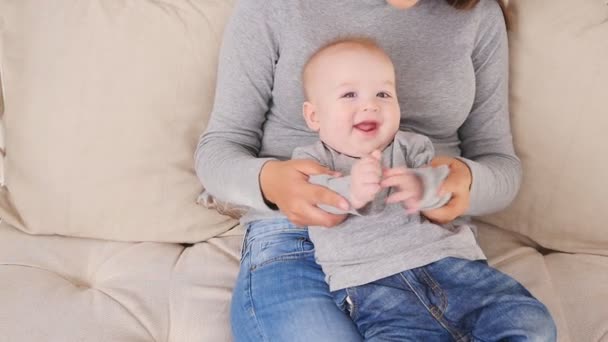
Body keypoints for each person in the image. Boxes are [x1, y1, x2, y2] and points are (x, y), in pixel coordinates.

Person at [195, 0, 555, 340]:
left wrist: (466, 183)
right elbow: (218, 149)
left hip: (426, 237)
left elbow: (501, 165)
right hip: (297, 233)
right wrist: (270, 182)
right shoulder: (275, 7)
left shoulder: (477, 15)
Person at [290, 37, 556, 341]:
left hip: (454, 268)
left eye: (383, 93)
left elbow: (444, 188)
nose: (369, 104)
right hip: (374, 288)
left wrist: (423, 186)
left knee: (532, 322)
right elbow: (313, 199)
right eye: (349, 94)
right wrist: (350, 189)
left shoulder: (412, 146)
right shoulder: (310, 159)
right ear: (314, 116)